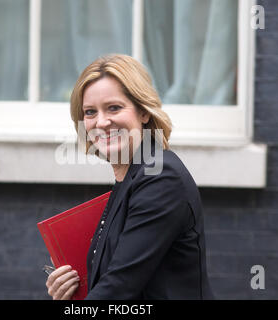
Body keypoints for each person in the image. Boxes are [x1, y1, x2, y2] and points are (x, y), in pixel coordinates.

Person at [45, 54, 214, 300]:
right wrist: (70, 291)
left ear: (144, 112)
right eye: (90, 112)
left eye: (114, 107)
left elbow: (119, 286)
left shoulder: (161, 178)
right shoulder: (131, 179)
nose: (101, 122)